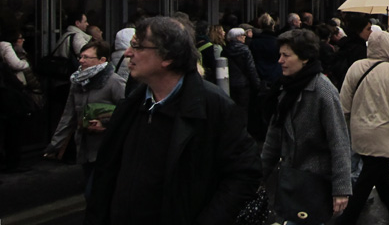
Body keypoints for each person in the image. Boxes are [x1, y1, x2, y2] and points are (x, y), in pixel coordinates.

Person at [84, 16, 261, 224]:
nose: (127, 53)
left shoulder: (215, 107)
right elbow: (108, 174)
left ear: (167, 58)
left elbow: (243, 176)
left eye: (137, 46)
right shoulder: (132, 104)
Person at [260, 29, 351, 225]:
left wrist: (341, 189)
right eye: (280, 55)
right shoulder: (285, 88)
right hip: (289, 180)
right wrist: (259, 175)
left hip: (314, 183)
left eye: (286, 55)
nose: (280, 60)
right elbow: (273, 137)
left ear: (305, 59)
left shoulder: (323, 91)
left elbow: (339, 142)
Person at [337, 29, 389, 225]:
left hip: (359, 130)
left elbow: (344, 102)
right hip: (385, 132)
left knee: (380, 173)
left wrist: (348, 124)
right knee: (368, 177)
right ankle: (347, 218)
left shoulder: (356, 67)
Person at [44, 40, 126, 192]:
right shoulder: (78, 82)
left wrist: (105, 123)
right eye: (80, 57)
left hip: (106, 148)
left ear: (102, 60)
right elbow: (69, 115)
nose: (81, 61)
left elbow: (126, 112)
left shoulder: (114, 82)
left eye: (87, 57)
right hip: (84, 147)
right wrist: (55, 144)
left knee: (94, 192)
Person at [1, 27, 43, 172]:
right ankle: (12, 163)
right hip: (11, 98)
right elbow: (19, 69)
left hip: (9, 97)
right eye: (20, 37)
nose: (23, 40)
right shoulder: (8, 50)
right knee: (13, 132)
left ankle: (11, 161)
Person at [222, 27, 262, 125]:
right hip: (243, 84)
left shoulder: (225, 51)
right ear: (238, 37)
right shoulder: (245, 50)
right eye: (242, 35)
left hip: (229, 83)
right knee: (243, 110)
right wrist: (257, 84)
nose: (244, 37)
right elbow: (251, 68)